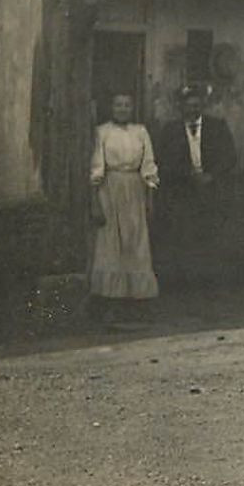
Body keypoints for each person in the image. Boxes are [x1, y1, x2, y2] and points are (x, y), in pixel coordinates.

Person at [155, 83, 239, 288]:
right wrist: (187, 176)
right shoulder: (170, 131)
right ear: (181, 107)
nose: (192, 109)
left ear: (202, 106)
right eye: (188, 105)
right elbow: (163, 161)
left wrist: (211, 176)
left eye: (196, 105)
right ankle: (185, 285)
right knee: (184, 238)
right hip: (183, 192)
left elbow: (230, 157)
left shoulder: (217, 127)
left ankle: (211, 284)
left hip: (212, 190)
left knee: (211, 237)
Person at [89, 92, 160, 322]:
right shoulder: (102, 132)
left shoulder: (140, 132)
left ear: (132, 108)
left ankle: (137, 301)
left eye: (127, 105)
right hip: (110, 188)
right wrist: (96, 201)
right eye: (118, 104)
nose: (122, 109)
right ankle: (111, 302)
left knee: (135, 242)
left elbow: (148, 165)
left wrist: (149, 198)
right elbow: (96, 167)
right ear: (111, 107)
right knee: (111, 244)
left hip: (135, 190)